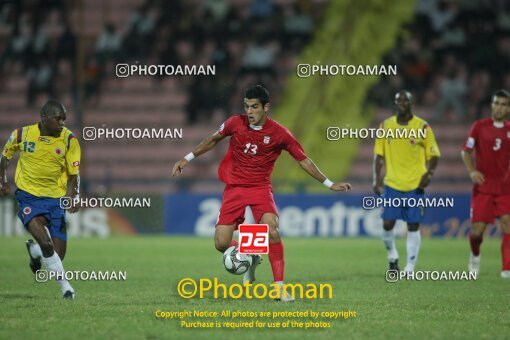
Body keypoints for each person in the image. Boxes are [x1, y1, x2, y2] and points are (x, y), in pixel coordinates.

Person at [172, 85, 351, 302]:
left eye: (254, 107)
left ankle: (278, 288)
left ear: (266, 107)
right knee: (220, 243)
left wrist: (329, 183)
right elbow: (213, 139)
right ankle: (250, 254)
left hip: (260, 188)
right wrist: (187, 158)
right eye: (247, 106)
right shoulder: (234, 123)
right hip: (235, 188)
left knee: (272, 230)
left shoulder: (280, 133)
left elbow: (303, 160)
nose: (249, 112)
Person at [0, 100, 81, 299]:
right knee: (47, 245)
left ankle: (34, 250)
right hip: (28, 197)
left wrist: (75, 195)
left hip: (55, 199)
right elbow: (4, 157)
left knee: (56, 256)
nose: (62, 123)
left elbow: (74, 174)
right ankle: (67, 289)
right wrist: (2, 181)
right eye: (58, 119)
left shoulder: (69, 140)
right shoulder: (21, 134)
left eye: (64, 119)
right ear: (44, 118)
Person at [373, 90, 440, 274]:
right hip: (392, 184)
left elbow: (433, 155)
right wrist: (376, 180)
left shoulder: (423, 127)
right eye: (398, 100)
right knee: (387, 224)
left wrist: (429, 174)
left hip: (415, 185)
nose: (402, 103)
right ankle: (392, 256)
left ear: (412, 103)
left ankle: (410, 267)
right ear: (394, 104)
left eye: (405, 100)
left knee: (413, 225)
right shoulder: (385, 126)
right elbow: (378, 156)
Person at [461, 89, 510, 278]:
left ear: (508, 108)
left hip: (505, 187)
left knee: (507, 224)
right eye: (497, 103)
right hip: (483, 188)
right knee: (477, 231)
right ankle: (474, 254)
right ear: (491, 105)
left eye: (504, 104)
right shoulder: (479, 127)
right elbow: (466, 151)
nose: (500, 107)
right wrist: (472, 170)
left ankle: (506, 268)